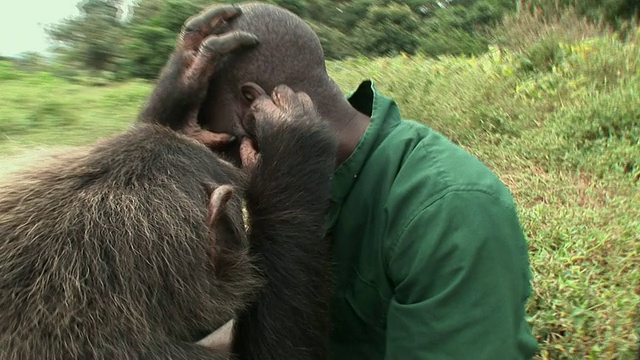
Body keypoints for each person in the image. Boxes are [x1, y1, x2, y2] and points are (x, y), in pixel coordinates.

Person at [196, 2, 539, 358]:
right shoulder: (281, 177)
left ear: (253, 106)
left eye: (212, 130)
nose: (214, 152)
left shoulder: (449, 207)